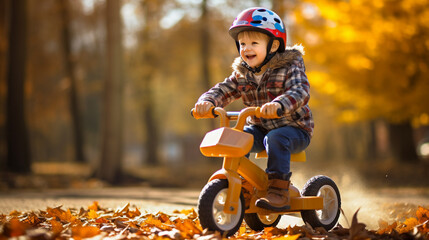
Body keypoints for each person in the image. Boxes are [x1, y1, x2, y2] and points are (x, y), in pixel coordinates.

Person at [194, 7, 314, 212]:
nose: (246, 48)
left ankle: (278, 190)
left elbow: (300, 91)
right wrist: (207, 101)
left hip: (294, 128)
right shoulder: (242, 73)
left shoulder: (290, 67)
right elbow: (223, 89)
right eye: (242, 44)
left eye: (254, 43)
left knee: (275, 138)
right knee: (237, 137)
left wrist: (279, 105)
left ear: (274, 45)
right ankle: (244, 186)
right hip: (259, 128)